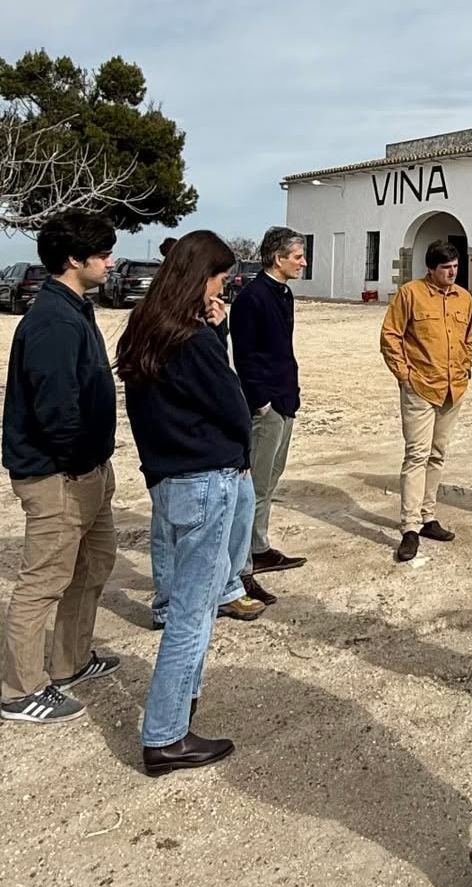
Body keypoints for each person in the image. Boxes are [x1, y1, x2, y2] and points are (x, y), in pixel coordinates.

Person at [116, 231, 253, 775]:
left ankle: (181, 707)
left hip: (169, 477)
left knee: (189, 606)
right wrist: (240, 448)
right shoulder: (191, 340)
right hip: (204, 479)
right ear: (200, 277)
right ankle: (166, 736)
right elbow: (229, 401)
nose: (222, 288)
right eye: (219, 277)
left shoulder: (147, 330)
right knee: (193, 614)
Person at [0, 211, 120, 724]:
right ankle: (19, 690)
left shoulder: (76, 309)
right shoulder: (52, 318)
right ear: (75, 259)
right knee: (43, 581)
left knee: (94, 565)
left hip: (88, 468)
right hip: (57, 475)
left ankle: (71, 661)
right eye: (104, 254)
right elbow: (55, 407)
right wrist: (74, 463)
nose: (112, 262)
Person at [380, 240, 472, 562]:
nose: (452, 272)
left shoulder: (465, 298)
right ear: (431, 269)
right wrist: (404, 376)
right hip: (420, 387)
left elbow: (469, 338)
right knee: (416, 455)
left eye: (455, 267)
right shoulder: (410, 294)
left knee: (437, 454)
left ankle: (428, 516)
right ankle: (409, 526)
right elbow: (390, 336)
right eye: (446, 268)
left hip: (453, 389)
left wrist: (467, 367)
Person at [229, 226, 308, 607]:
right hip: (267, 407)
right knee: (254, 489)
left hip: (285, 400)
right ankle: (241, 571)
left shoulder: (284, 294)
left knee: (270, 480)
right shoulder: (251, 298)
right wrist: (261, 403)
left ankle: (259, 549)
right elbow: (245, 357)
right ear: (278, 258)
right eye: (298, 256)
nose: (303, 262)